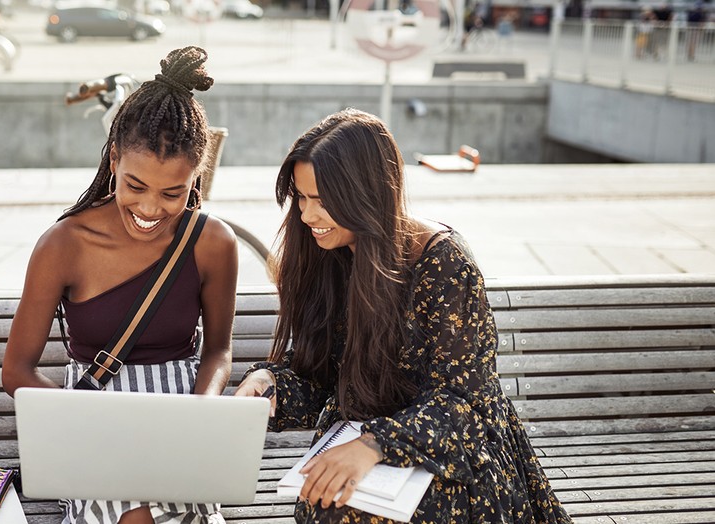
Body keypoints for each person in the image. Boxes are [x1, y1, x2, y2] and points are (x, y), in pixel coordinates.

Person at [235, 108, 571, 523]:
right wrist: (271, 385)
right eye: (302, 198)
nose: (306, 216)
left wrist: (375, 445)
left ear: (366, 193)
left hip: (452, 453)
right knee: (331, 503)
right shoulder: (327, 256)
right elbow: (324, 378)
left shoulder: (444, 264)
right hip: (359, 443)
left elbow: (463, 403)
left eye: (323, 202)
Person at [1, 46, 238, 524]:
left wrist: (202, 412)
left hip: (181, 414)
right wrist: (88, 421)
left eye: (173, 192)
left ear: (198, 175)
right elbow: (16, 371)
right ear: (113, 160)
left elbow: (218, 351)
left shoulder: (213, 243)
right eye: (135, 186)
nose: (150, 208)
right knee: (135, 514)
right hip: (93, 418)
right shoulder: (64, 244)